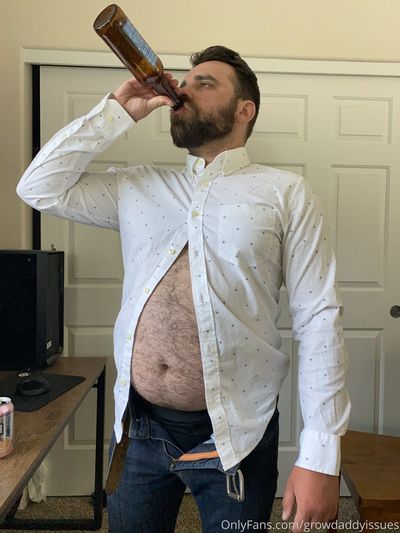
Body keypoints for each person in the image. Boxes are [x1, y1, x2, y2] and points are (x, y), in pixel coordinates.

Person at [17, 46, 351, 533]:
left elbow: (318, 317)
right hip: (138, 428)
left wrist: (321, 455)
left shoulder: (285, 194)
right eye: (184, 82)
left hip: (239, 430)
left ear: (245, 109)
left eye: (204, 83)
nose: (182, 91)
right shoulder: (138, 187)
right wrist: (117, 112)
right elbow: (39, 188)